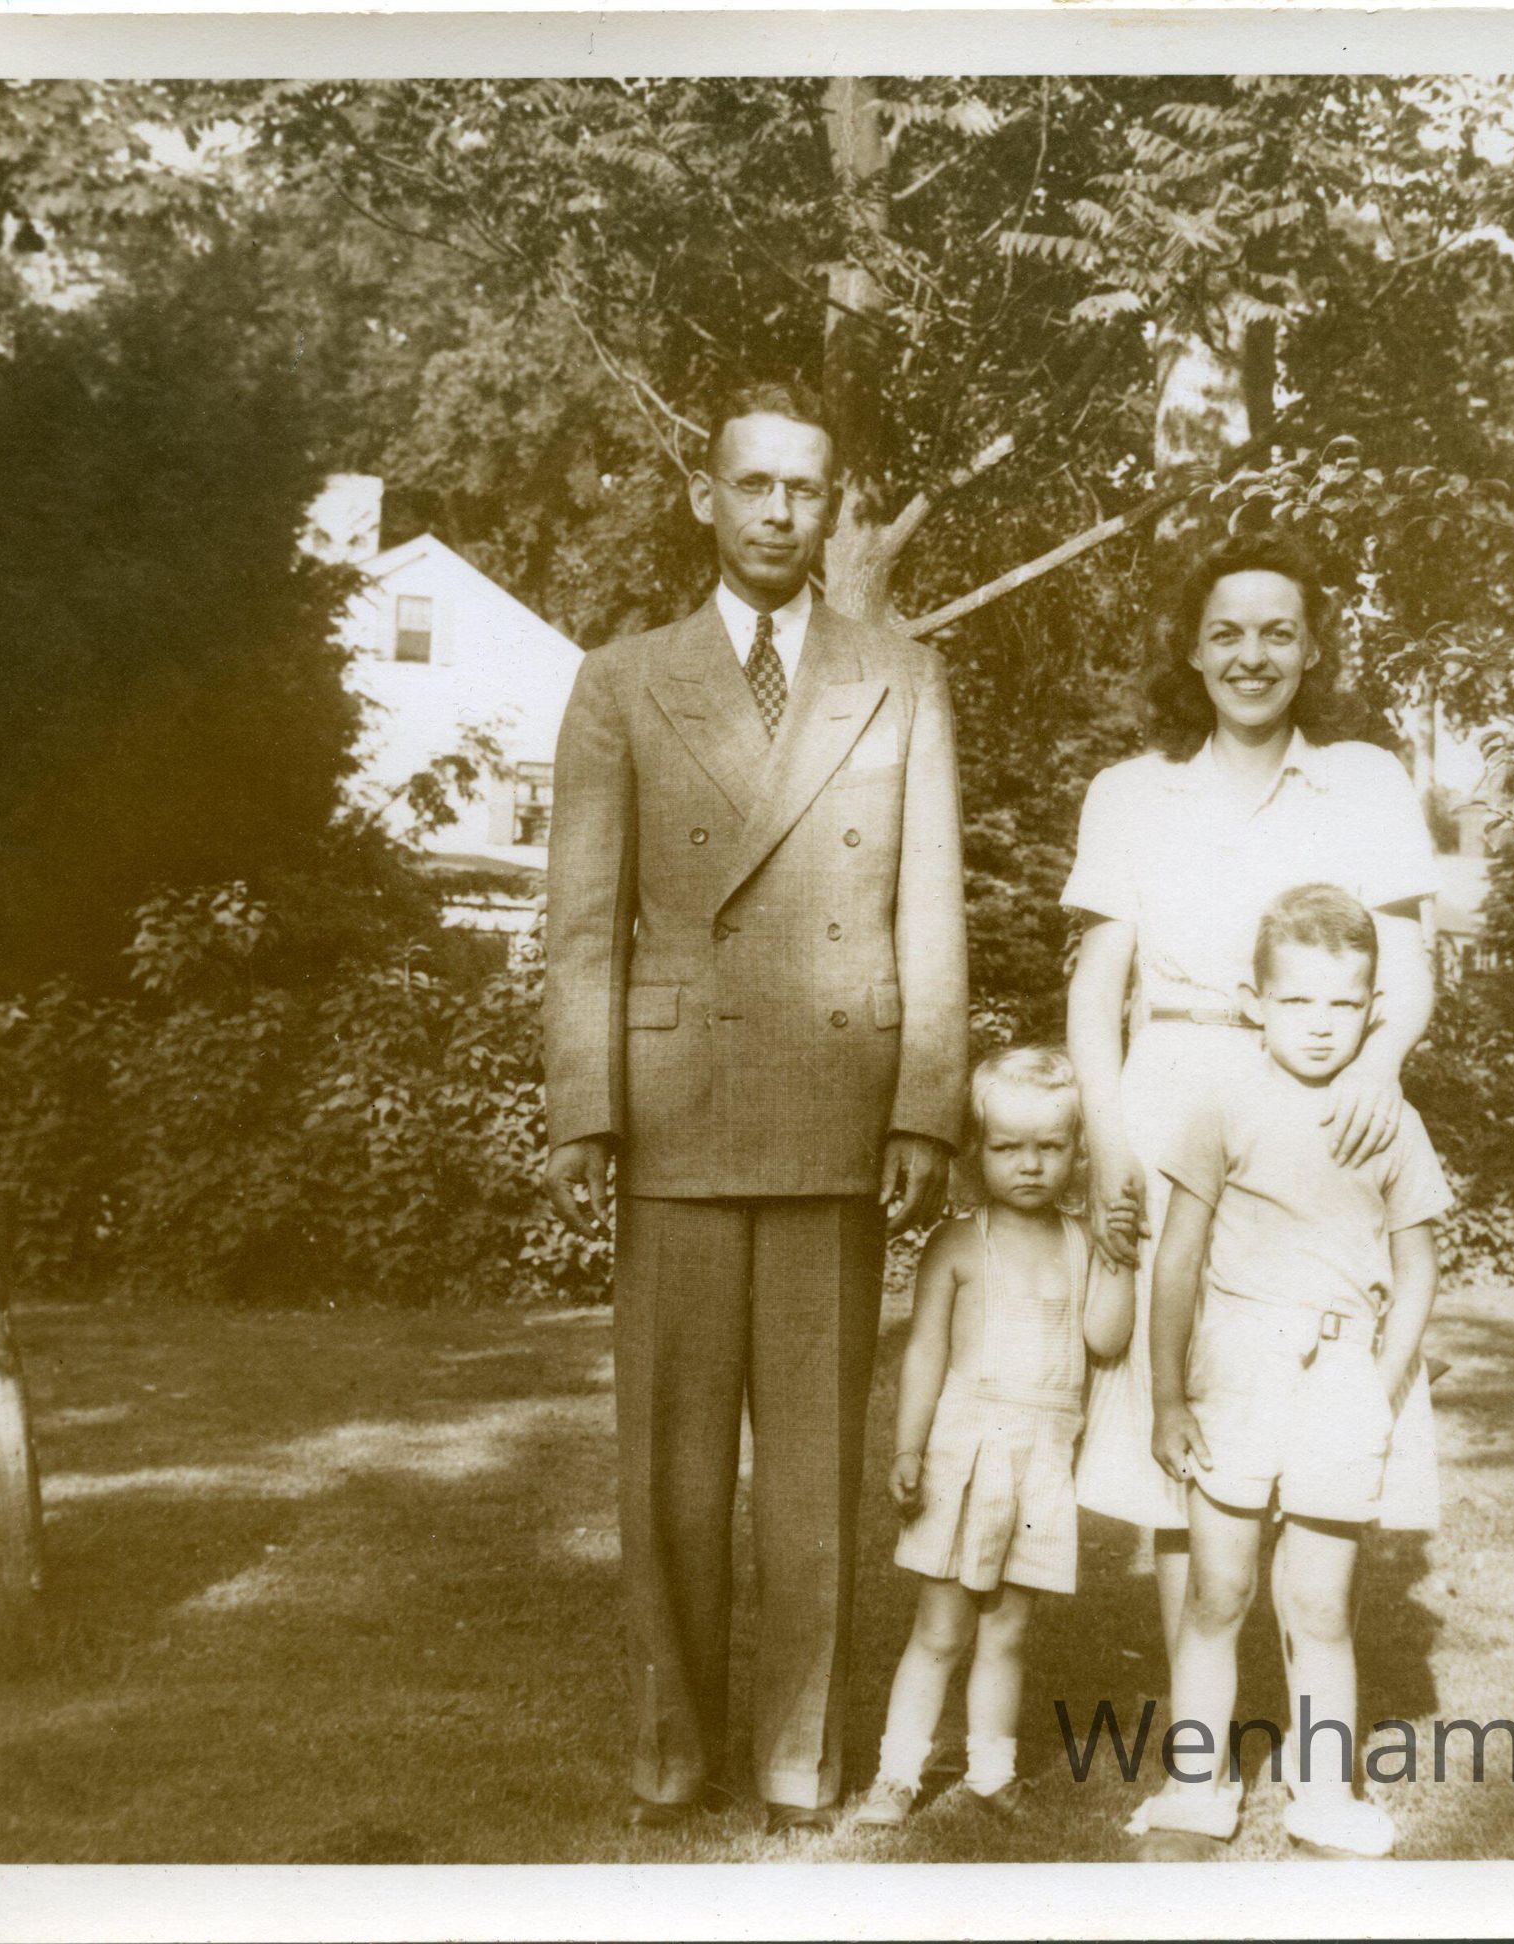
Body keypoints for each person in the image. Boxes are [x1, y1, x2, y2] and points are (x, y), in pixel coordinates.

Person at [542, 378, 969, 1837]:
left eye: (806, 488)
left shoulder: (900, 673)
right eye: (755, 484)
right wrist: (585, 1105)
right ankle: (672, 1746)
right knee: (667, 1466)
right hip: (676, 1106)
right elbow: (582, 920)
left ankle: (797, 1754)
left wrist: (926, 1104)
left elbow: (930, 905)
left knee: (811, 1471)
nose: (780, 511)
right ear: (705, 498)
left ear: (831, 505)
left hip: (838, 1108)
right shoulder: (621, 678)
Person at [1060, 531, 1443, 1668]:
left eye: (1279, 633)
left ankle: (1311, 1693)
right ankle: (1204, 1731)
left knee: (1322, 1387)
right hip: (1170, 1097)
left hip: (1325, 1109)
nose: (1252, 656)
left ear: (1313, 648)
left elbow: (1410, 969)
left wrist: (1375, 1068)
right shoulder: (1131, 794)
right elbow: (1096, 992)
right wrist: (1110, 1147)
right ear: (1191, 649)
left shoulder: (1366, 780)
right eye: (1226, 633)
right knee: (1178, 1401)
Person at [1131, 885, 1450, 1860]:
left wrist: (1379, 1388)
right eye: (1298, 1000)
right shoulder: (1221, 1104)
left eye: (1343, 1004)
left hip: (1338, 1376)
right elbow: (1176, 1261)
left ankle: (1324, 1797)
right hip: (1233, 1369)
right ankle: (1197, 1787)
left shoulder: (1389, 1120)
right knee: (1216, 1593)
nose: (1320, 1024)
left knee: (1318, 1604)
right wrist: (1168, 1398)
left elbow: (1418, 1267)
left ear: (1373, 1010)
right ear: (1254, 1001)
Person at [853, 1047, 1135, 1829]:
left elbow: (1107, 1340)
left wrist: (1118, 1258)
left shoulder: (1081, 1243)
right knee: (940, 1629)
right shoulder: (957, 1243)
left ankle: (991, 1772)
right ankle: (897, 1774)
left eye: (1050, 1147)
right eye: (1008, 1147)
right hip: (965, 1456)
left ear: (1078, 1152)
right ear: (977, 1151)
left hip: (1042, 1461)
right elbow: (925, 1355)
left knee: (1008, 1629)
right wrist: (908, 1449)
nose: (1030, 1165)